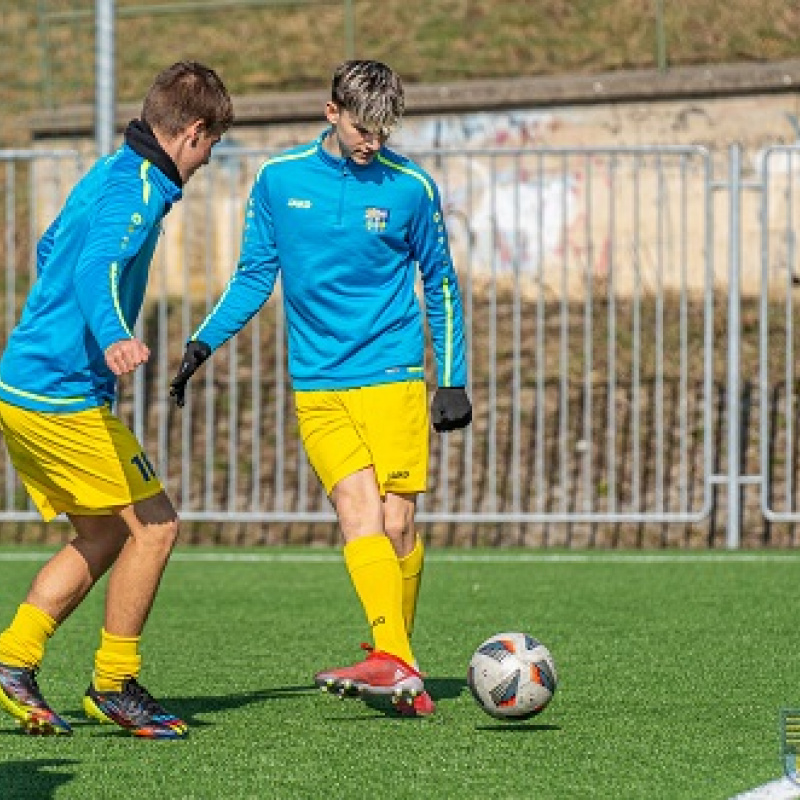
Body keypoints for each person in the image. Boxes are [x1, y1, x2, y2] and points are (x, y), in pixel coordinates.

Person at [169, 59, 471, 717]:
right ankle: (397, 663)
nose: (374, 143)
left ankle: (397, 657)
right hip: (320, 385)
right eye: (364, 129)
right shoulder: (279, 180)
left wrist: (452, 380)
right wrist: (201, 343)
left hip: (392, 377)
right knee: (359, 513)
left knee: (397, 523)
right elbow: (254, 276)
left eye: (385, 132)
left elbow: (441, 284)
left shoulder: (410, 187)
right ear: (331, 112)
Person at [0, 61, 233, 738]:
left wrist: (58, 324)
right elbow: (96, 262)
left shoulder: (111, 169)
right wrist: (111, 335)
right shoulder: (137, 189)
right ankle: (114, 683)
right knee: (155, 527)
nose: (210, 157)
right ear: (192, 132)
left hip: (27, 381)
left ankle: (13, 660)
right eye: (213, 143)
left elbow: (51, 249)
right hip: (58, 394)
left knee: (104, 534)